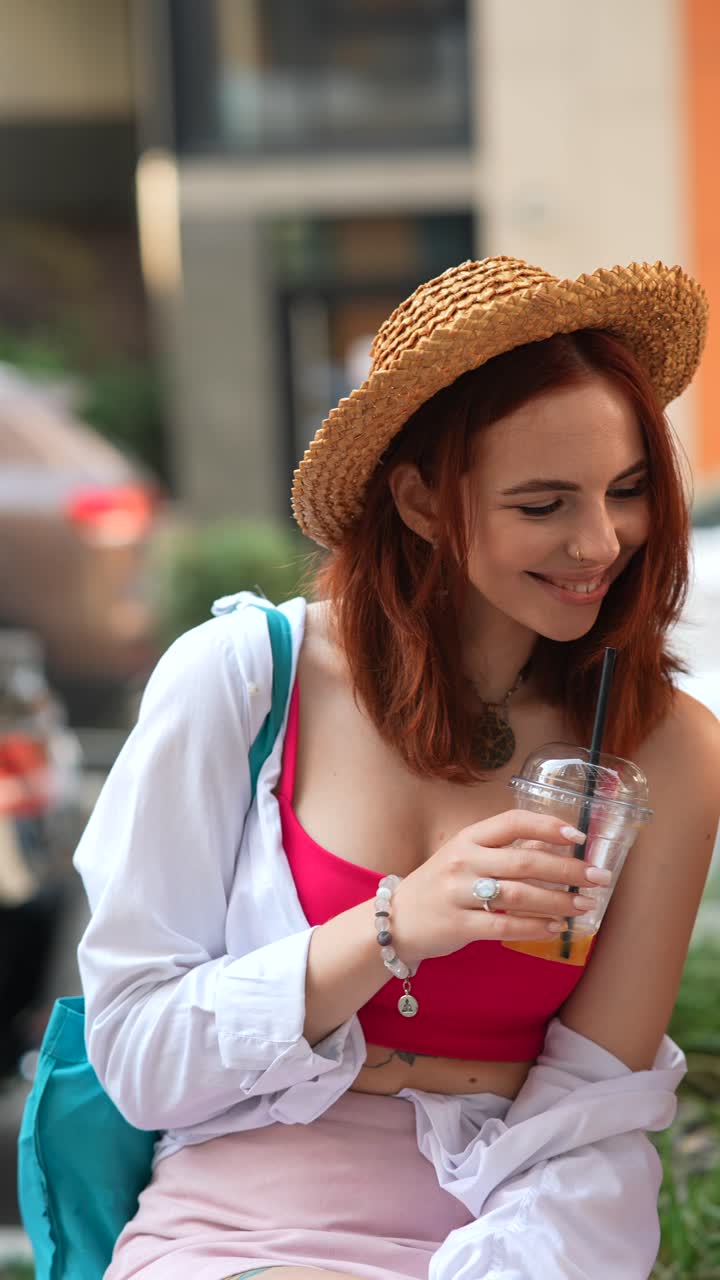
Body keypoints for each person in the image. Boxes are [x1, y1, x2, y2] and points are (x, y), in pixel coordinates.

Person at [74, 256, 719, 1280]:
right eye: (543, 504)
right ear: (420, 500)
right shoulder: (247, 680)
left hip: (521, 1227)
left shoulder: (662, 745)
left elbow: (595, 1108)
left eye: (628, 491)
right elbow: (140, 1058)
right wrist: (394, 925)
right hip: (242, 1226)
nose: (601, 541)